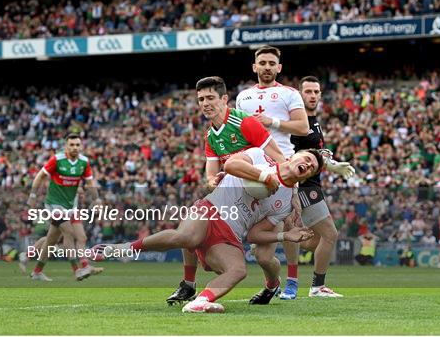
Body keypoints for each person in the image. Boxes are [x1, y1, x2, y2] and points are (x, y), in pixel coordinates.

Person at [93, 147, 323, 313]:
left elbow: (254, 236)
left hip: (230, 233)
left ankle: (200, 302)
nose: (308, 164)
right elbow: (231, 164)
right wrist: (264, 177)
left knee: (238, 270)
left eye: (312, 167)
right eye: (306, 158)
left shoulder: (285, 202)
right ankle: (124, 248)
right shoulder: (260, 156)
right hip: (211, 208)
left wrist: (286, 235)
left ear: (308, 176)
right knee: (186, 237)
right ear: (293, 157)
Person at [167, 76, 286, 305]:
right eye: (201, 99)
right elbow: (210, 176)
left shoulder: (246, 123)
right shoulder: (211, 135)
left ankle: (272, 285)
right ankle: (188, 284)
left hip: (266, 200)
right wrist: (215, 180)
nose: (205, 103)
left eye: (210, 97)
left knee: (263, 257)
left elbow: (279, 157)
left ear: (224, 99)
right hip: (236, 202)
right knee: (193, 219)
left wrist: (277, 188)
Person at [236, 45, 309, 300]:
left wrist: (273, 122)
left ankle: (292, 281)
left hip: (284, 165)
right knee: (259, 248)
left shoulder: (289, 94)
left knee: (290, 222)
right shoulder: (243, 97)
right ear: (254, 67)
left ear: (279, 68)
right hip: (253, 166)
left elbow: (303, 127)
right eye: (262, 63)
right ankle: (267, 279)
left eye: (271, 63)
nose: (267, 67)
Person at [291, 76, 355, 297]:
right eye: (308, 91)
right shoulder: (297, 124)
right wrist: (328, 163)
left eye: (316, 92)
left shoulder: (314, 121)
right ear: (300, 95)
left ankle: (284, 237)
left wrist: (330, 160)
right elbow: (294, 156)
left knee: (318, 241)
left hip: (313, 184)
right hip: (305, 186)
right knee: (330, 234)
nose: (313, 96)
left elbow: (318, 151)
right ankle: (317, 287)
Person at [27, 133, 101, 281]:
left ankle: (37, 271)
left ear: (81, 146)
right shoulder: (57, 159)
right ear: (66, 146)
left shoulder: (84, 162)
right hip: (54, 204)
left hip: (70, 206)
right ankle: (78, 270)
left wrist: (96, 199)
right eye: (71, 145)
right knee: (68, 231)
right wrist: (33, 195)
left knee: (61, 239)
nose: (75, 147)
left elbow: (90, 183)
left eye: (77, 145)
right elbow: (40, 176)